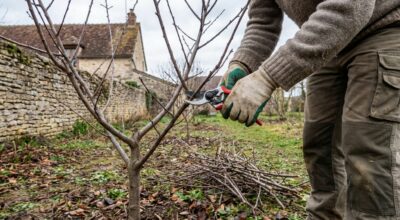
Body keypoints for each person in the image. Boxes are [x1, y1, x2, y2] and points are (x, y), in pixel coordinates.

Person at [220, 0, 400, 219]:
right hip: (330, 43)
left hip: (381, 30)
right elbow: (262, 20)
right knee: (320, 147)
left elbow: (351, 6)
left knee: (367, 152)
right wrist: (242, 64)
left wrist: (266, 78)